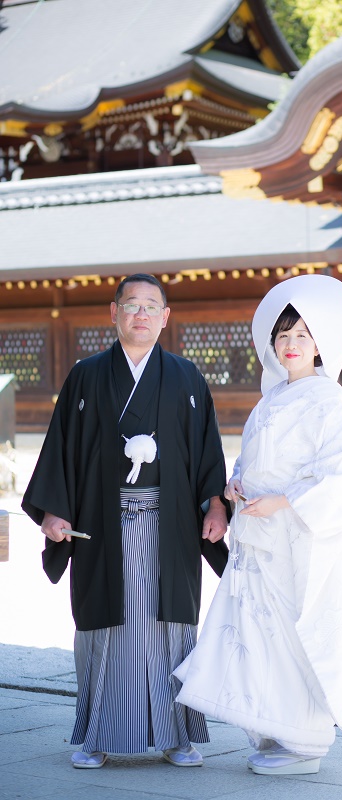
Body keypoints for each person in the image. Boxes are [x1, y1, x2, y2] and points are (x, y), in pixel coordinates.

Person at [22, 273, 229, 769]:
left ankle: (177, 735)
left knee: (171, 628)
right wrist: (53, 510)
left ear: (165, 317)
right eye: (131, 305)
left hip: (171, 524)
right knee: (102, 630)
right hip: (100, 524)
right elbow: (61, 449)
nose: (141, 314)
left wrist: (217, 505)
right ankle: (95, 735)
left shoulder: (187, 377)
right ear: (113, 313)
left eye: (151, 306)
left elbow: (207, 453)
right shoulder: (86, 375)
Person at [174, 274, 342, 776]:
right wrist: (236, 485)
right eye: (283, 336)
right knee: (256, 635)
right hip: (256, 534)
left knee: (291, 634)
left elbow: (338, 476)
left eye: (302, 335)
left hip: (293, 537)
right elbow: (252, 461)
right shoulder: (269, 400)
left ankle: (305, 741)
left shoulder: (330, 404)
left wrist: (282, 500)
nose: (290, 345)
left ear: (320, 344)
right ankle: (272, 727)